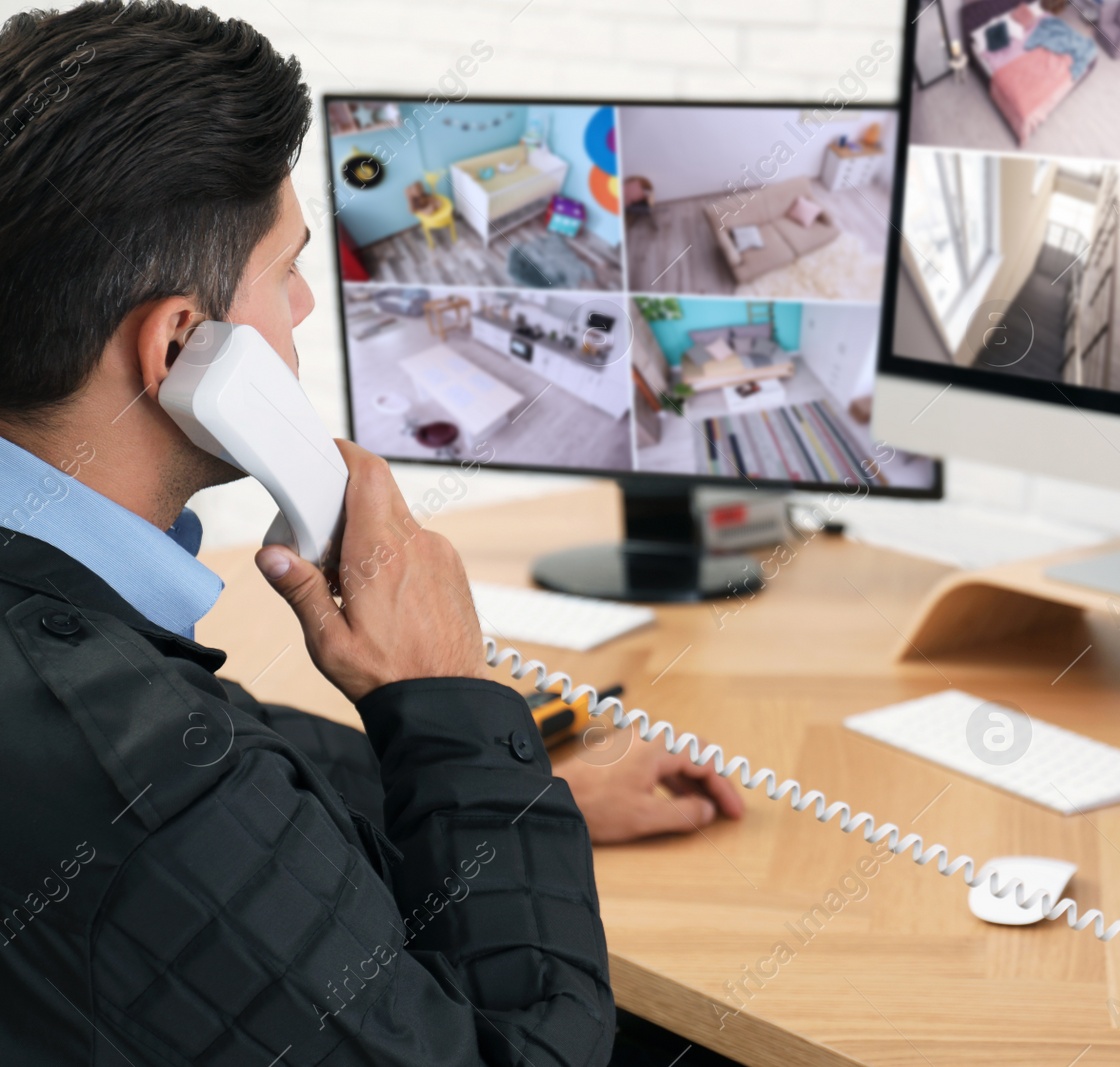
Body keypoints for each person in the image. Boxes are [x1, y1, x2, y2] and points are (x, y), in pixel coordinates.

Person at [0, 2, 742, 1063]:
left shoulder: (69, 636)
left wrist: (520, 791)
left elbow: (240, 753)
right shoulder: (151, 775)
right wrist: (447, 696)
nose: (305, 307)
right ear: (180, 346)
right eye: (288, 268)